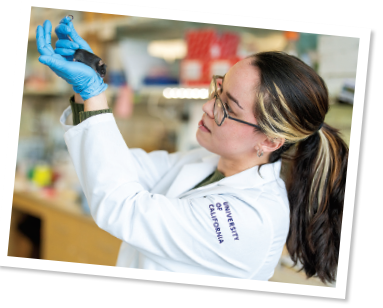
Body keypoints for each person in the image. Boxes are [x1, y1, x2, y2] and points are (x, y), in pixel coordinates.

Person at [36, 17, 348, 284]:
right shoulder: (208, 161)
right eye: (219, 90)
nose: (208, 106)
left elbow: (123, 207)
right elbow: (115, 167)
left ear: (268, 141)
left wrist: (94, 96)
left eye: (227, 107)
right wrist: (84, 94)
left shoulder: (251, 220)